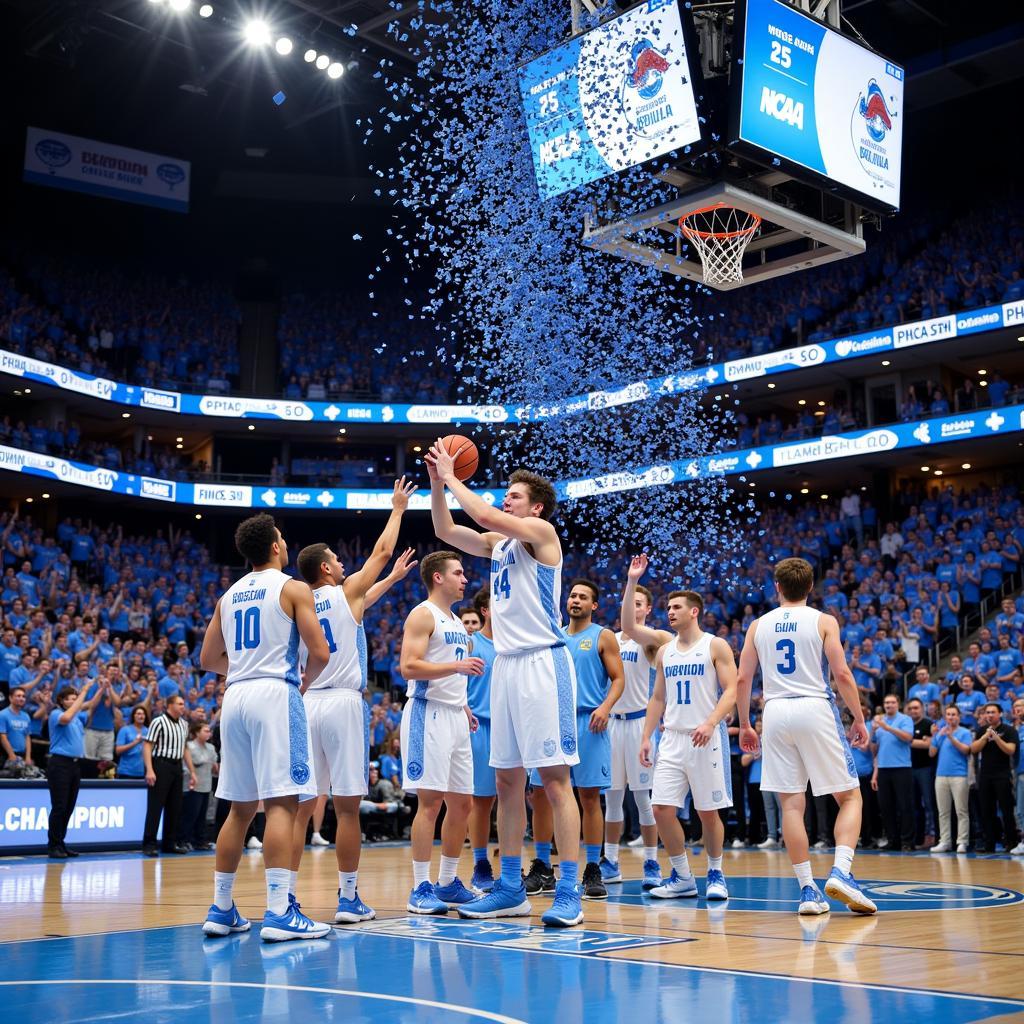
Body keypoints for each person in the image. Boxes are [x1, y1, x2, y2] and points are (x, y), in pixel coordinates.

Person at [427, 446, 583, 928]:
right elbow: (447, 531)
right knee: (507, 780)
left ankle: (570, 890)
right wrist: (437, 482)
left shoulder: (542, 534)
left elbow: (479, 511)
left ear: (535, 506)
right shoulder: (500, 546)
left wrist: (454, 476)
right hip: (508, 668)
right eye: (505, 495)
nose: (505, 500)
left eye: (514, 496)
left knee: (554, 781)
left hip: (543, 663)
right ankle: (512, 888)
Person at [199, 513, 333, 942]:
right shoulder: (293, 587)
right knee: (281, 804)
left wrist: (241, 668)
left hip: (234, 696)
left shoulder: (229, 595)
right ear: (275, 546)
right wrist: (306, 678)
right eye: (283, 537)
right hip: (275, 693)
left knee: (240, 808)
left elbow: (206, 660)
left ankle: (221, 909)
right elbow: (320, 651)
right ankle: (279, 912)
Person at [290, 477, 417, 926]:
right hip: (342, 703)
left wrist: (391, 580)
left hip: (307, 705)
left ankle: (284, 898)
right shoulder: (343, 593)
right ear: (325, 568)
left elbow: (357, 600)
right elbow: (379, 555)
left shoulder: (299, 603)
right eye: (337, 560)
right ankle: (347, 899)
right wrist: (398, 509)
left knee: (301, 807)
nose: (343, 564)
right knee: (346, 808)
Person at [737, 557, 875, 916]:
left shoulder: (757, 625)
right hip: (814, 706)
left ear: (777, 587)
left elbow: (742, 680)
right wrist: (858, 718)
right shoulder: (824, 621)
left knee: (791, 805)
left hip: (775, 710)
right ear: (810, 587)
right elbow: (842, 673)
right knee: (849, 797)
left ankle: (808, 892)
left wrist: (747, 724)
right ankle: (842, 871)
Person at [528, 579, 624, 900]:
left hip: (588, 721)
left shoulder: (602, 636)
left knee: (589, 798)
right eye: (572, 595)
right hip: (551, 722)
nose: (576, 600)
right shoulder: (551, 634)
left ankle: (593, 868)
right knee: (540, 795)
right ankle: (543, 866)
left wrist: (605, 707)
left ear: (594, 605)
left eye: (583, 597)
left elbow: (618, 679)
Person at [641, 589, 738, 901]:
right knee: (661, 809)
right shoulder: (665, 651)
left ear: (694, 612)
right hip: (672, 737)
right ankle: (682, 876)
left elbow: (732, 690)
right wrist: (646, 737)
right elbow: (657, 697)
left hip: (705, 738)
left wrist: (711, 722)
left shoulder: (715, 645)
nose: (670, 612)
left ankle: (715, 872)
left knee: (708, 812)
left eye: (676, 607)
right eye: (668, 607)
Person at [399, 550, 480, 915]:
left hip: (454, 716)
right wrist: (457, 665)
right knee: (430, 804)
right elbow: (409, 666)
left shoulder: (455, 621)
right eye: (458, 573)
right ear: (438, 577)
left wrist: (463, 706)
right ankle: (420, 886)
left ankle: (447, 883)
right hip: (426, 715)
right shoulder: (423, 614)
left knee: (462, 803)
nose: (464, 579)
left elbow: (449, 675)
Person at [605, 555, 673, 889]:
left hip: (638, 725)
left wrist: (633, 579)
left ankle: (650, 862)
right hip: (611, 725)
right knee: (612, 798)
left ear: (647, 610)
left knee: (644, 799)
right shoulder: (610, 640)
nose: (634, 608)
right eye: (629, 603)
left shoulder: (653, 640)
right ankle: (611, 861)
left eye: (639, 604)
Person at [46, 683, 104, 857]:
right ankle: (53, 845)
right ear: (62, 701)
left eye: (75, 698)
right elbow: (66, 718)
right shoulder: (57, 714)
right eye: (70, 698)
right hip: (59, 764)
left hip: (74, 765)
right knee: (60, 806)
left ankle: (61, 843)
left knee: (69, 807)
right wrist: (84, 691)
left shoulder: (77, 717)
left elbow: (91, 704)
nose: (74, 701)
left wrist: (102, 688)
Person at [467, 587, 498, 893]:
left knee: (515, 798)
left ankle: (517, 865)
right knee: (482, 801)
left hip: (512, 727)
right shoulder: (471, 643)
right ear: (486, 611)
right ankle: (480, 863)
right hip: (481, 726)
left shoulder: (516, 643)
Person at [141, 694, 195, 856]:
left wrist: (192, 771)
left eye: (183, 704)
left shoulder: (184, 725)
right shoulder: (158, 721)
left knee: (175, 807)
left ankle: (169, 843)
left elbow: (185, 749)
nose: (182, 706)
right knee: (155, 807)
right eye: (179, 703)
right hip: (160, 765)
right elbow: (147, 746)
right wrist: (149, 769)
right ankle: (149, 844)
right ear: (169, 705)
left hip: (177, 767)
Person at [970, 703, 1020, 853]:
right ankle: (989, 844)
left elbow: (1010, 750)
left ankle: (1011, 842)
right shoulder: (981, 731)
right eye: (987, 712)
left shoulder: (1009, 730)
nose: (990, 715)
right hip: (985, 775)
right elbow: (973, 749)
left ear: (1000, 714)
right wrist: (986, 737)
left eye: (993, 712)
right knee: (986, 810)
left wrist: (996, 738)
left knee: (1006, 810)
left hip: (1002, 774)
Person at [870, 694, 915, 852]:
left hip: (901, 768)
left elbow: (908, 737)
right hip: (883, 768)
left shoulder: (905, 719)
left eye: (892, 702)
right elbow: (874, 749)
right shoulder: (878, 722)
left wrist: (887, 728)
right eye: (886, 702)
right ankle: (892, 840)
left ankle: (906, 841)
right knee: (886, 807)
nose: (889, 705)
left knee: (904, 806)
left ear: (898, 704)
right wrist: (873, 732)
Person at [929, 705, 972, 853]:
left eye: (954, 714)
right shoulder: (940, 732)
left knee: (961, 811)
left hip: (959, 775)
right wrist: (935, 735)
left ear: (959, 717)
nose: (951, 717)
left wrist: (950, 737)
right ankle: (945, 841)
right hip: (941, 775)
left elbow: (966, 750)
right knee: (943, 811)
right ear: (945, 717)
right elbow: (932, 753)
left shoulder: (965, 732)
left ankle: (962, 841)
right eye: (948, 714)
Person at [180, 721, 218, 850]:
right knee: (190, 815)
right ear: (196, 733)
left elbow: (214, 765)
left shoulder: (211, 747)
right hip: (192, 786)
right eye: (205, 731)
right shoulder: (189, 747)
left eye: (209, 731)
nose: (209, 733)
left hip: (206, 785)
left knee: (203, 815)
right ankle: (185, 840)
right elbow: (186, 766)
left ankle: (200, 841)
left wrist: (215, 767)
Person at [906, 698, 937, 848]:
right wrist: (920, 742)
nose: (913, 711)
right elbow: (923, 743)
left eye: (916, 708)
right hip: (909, 769)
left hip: (925, 769)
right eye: (911, 708)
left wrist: (908, 741)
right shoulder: (906, 725)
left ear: (922, 709)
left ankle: (931, 836)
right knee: (914, 805)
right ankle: (918, 839)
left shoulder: (928, 724)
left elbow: (931, 744)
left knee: (929, 804)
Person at [0, 686, 33, 766]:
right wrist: (11, 755)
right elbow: (2, 736)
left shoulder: (26, 716)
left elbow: (27, 737)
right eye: (18, 696)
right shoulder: (2, 714)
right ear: (10, 698)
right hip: (6, 755)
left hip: (22, 755)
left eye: (23, 696)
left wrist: (28, 756)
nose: (21, 698)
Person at [115, 705, 149, 779]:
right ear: (133, 716)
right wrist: (135, 742)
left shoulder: (148, 731)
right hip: (126, 771)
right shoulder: (124, 730)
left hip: (142, 772)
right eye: (138, 714)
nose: (141, 716)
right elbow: (118, 750)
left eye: (143, 714)